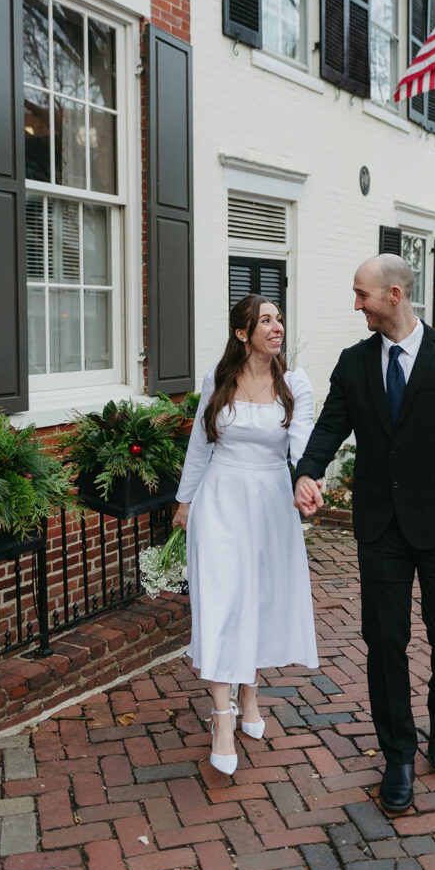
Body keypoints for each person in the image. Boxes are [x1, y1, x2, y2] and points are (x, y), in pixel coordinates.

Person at [293, 254, 435, 814]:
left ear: (394, 295)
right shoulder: (353, 362)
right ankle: (397, 754)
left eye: (362, 295)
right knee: (384, 641)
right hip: (380, 525)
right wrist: (306, 471)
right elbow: (331, 424)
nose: (357, 305)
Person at [173, 294, 318, 776]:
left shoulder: (295, 384)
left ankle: (250, 694)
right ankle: (221, 716)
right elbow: (200, 443)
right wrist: (185, 501)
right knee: (220, 602)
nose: (277, 327)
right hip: (220, 498)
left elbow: (304, 445)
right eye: (266, 321)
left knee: (256, 601)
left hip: (271, 504)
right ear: (243, 333)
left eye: (279, 319)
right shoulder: (217, 379)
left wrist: (308, 481)